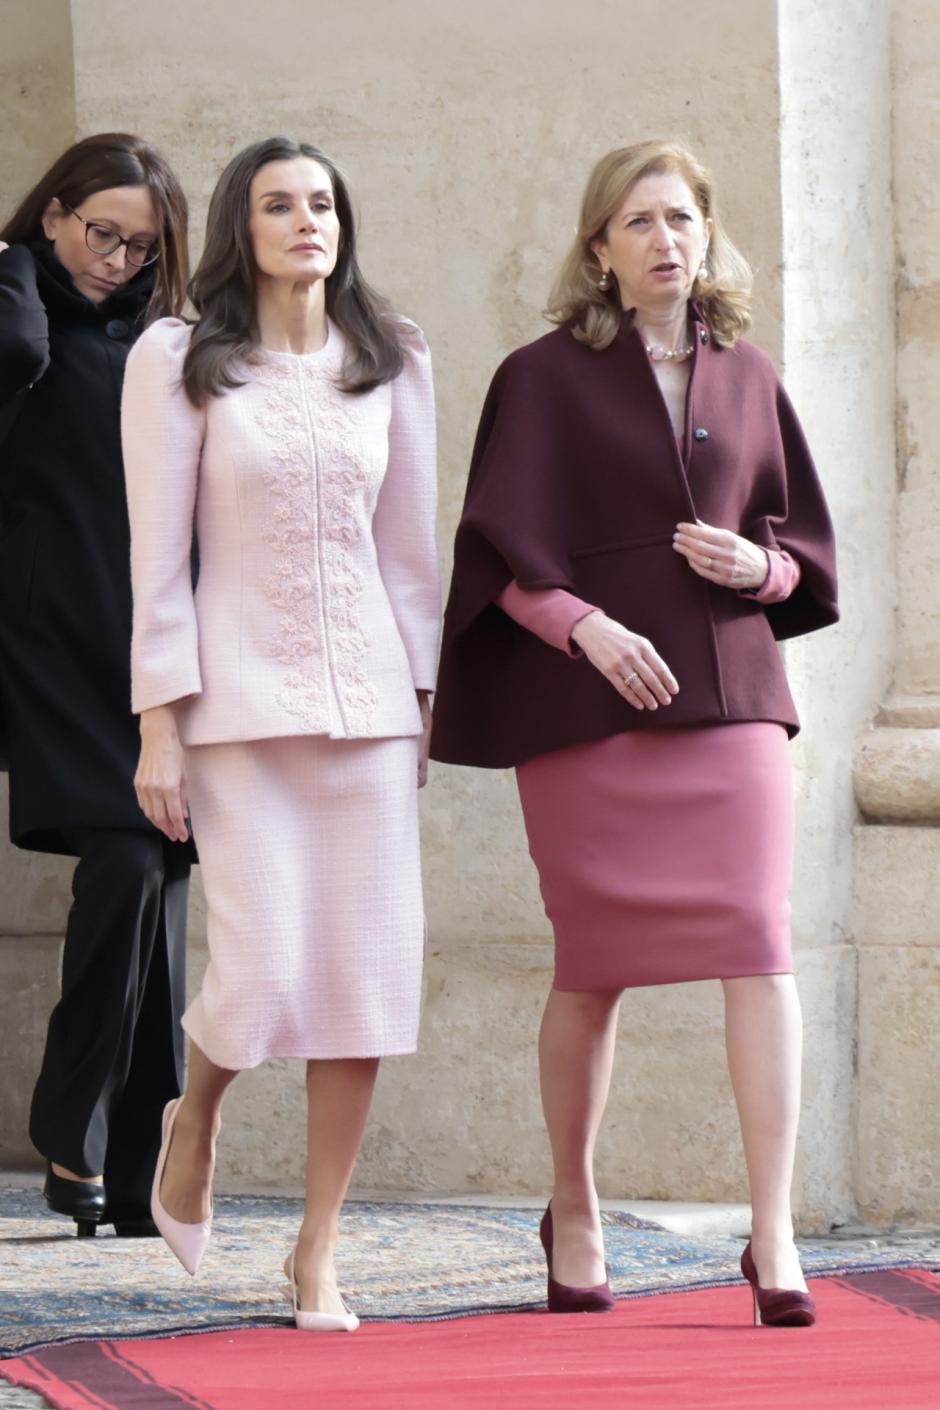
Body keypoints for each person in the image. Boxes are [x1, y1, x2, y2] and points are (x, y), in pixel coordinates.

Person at [430, 140, 838, 1328]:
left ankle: (773, 1232)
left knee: (761, 943)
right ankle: (574, 1205)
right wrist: (584, 629)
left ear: (706, 234)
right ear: (598, 249)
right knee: (592, 966)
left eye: (680, 217)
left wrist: (760, 566)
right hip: (587, 711)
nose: (664, 239)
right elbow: (497, 554)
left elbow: (805, 548)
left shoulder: (750, 375)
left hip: (730, 701)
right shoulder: (539, 375)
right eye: (636, 221)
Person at [121, 137, 440, 1331]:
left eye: (322, 203)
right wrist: (159, 727)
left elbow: (411, 559)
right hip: (234, 713)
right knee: (256, 974)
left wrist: (421, 704)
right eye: (278, 204)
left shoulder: (393, 356)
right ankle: (193, 1116)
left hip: (365, 717)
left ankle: (318, 1253)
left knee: (360, 981)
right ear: (238, 228)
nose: (307, 221)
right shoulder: (177, 359)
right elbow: (157, 562)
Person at [0, 134, 192, 1238]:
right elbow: (14, 343)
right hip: (46, 638)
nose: (115, 259)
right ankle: (73, 1135)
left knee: (159, 874)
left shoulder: (164, 345)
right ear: (55, 212)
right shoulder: (18, 317)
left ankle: (137, 1168)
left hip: (154, 648)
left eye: (140, 243)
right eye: (98, 232)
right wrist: (17, 263)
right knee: (128, 856)